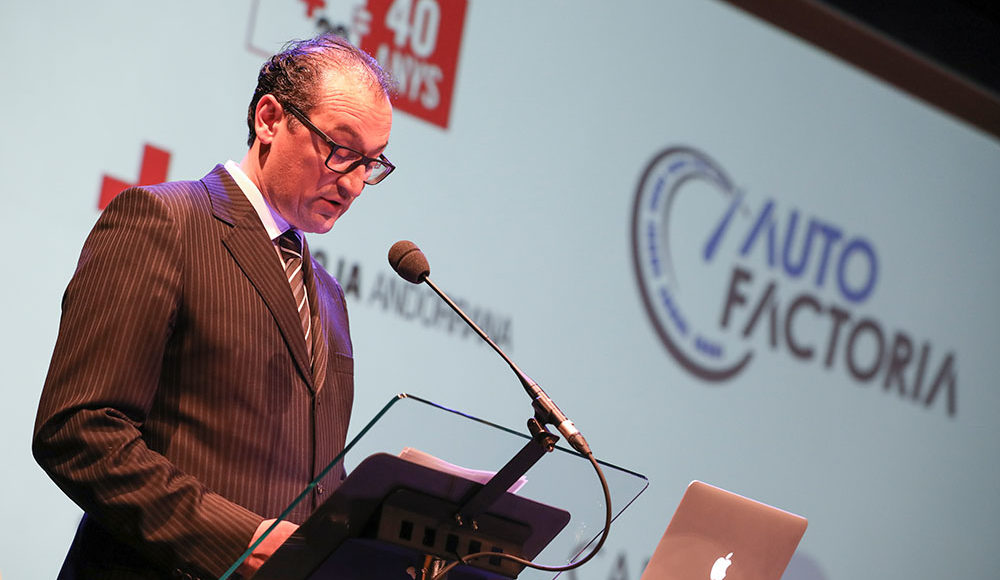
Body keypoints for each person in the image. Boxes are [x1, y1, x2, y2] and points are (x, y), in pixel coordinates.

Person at [32, 33, 394, 580]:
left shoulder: (327, 294)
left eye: (371, 163)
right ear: (270, 120)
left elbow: (308, 477)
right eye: (341, 151)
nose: (355, 184)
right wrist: (239, 541)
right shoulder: (163, 222)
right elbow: (78, 429)